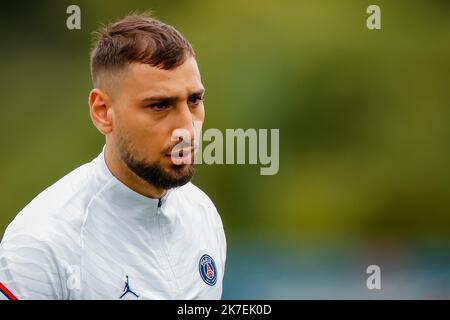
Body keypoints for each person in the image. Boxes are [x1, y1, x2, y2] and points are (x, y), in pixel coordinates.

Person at [0, 12, 226, 300]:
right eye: (159, 105)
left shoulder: (202, 214)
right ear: (102, 112)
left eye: (194, 100)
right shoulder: (40, 244)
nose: (186, 130)